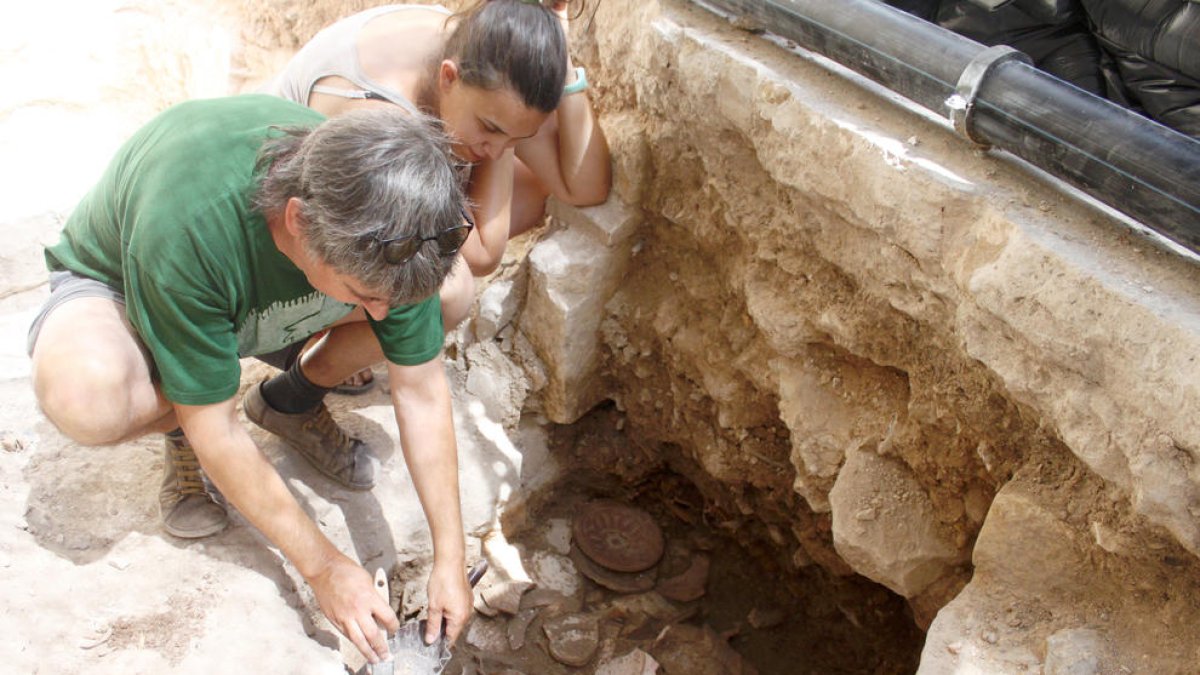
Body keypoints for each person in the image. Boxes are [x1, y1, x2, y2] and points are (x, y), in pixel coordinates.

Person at [27, 94, 473, 664]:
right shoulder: (190, 223)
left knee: (450, 295)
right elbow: (217, 426)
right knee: (85, 397)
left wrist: (450, 559)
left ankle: (290, 400)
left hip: (265, 303)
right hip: (128, 287)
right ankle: (178, 411)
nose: (379, 317)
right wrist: (325, 567)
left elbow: (422, 391)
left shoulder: (394, 225)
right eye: (367, 297)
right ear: (297, 224)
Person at [267, 0, 611, 392]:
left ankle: (341, 325)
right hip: (289, 260)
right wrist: (506, 145)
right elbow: (483, 254)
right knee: (448, 291)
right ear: (448, 76)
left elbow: (585, 187)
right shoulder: (384, 111)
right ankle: (307, 365)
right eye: (490, 127)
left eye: (515, 138)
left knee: (535, 186)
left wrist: (560, 57)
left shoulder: (482, 53)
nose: (498, 149)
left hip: (361, 207)